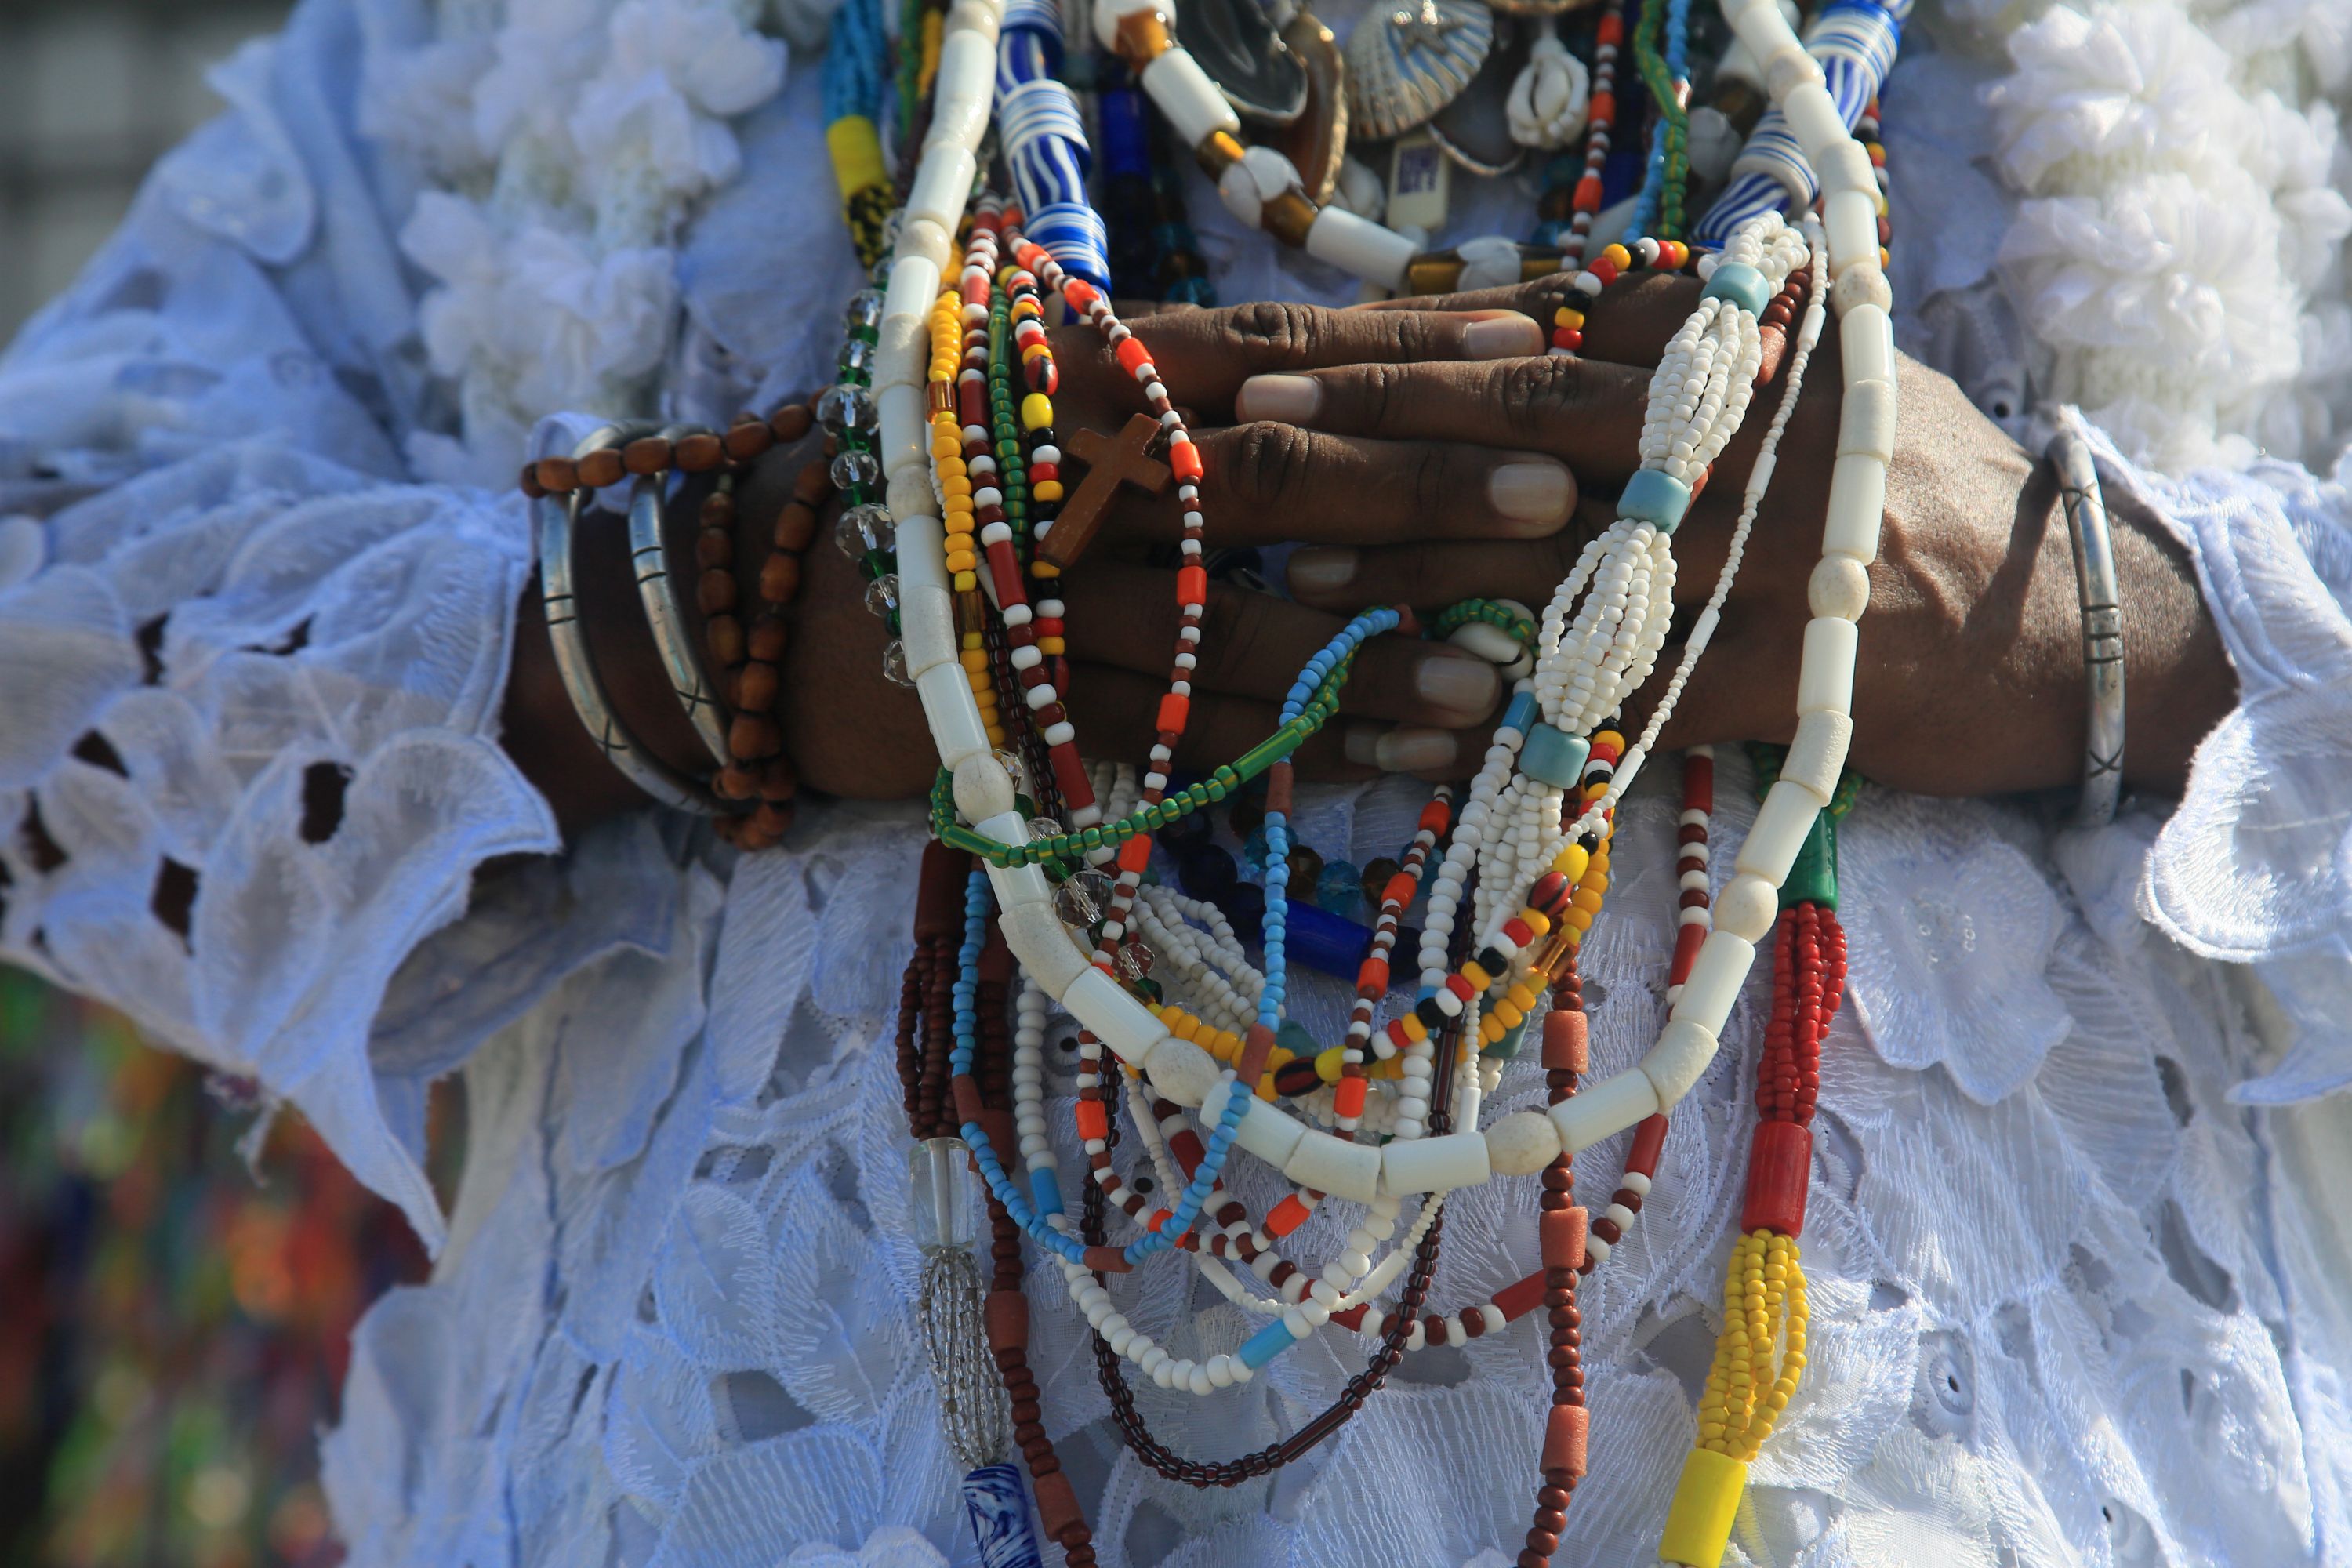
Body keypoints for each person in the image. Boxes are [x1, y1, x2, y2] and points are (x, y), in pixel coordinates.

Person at [0, 0, 2347, 1563]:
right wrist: (694, 625)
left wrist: (2107, 622)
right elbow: (57, 613)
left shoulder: (2225, 55)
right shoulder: (506, 53)